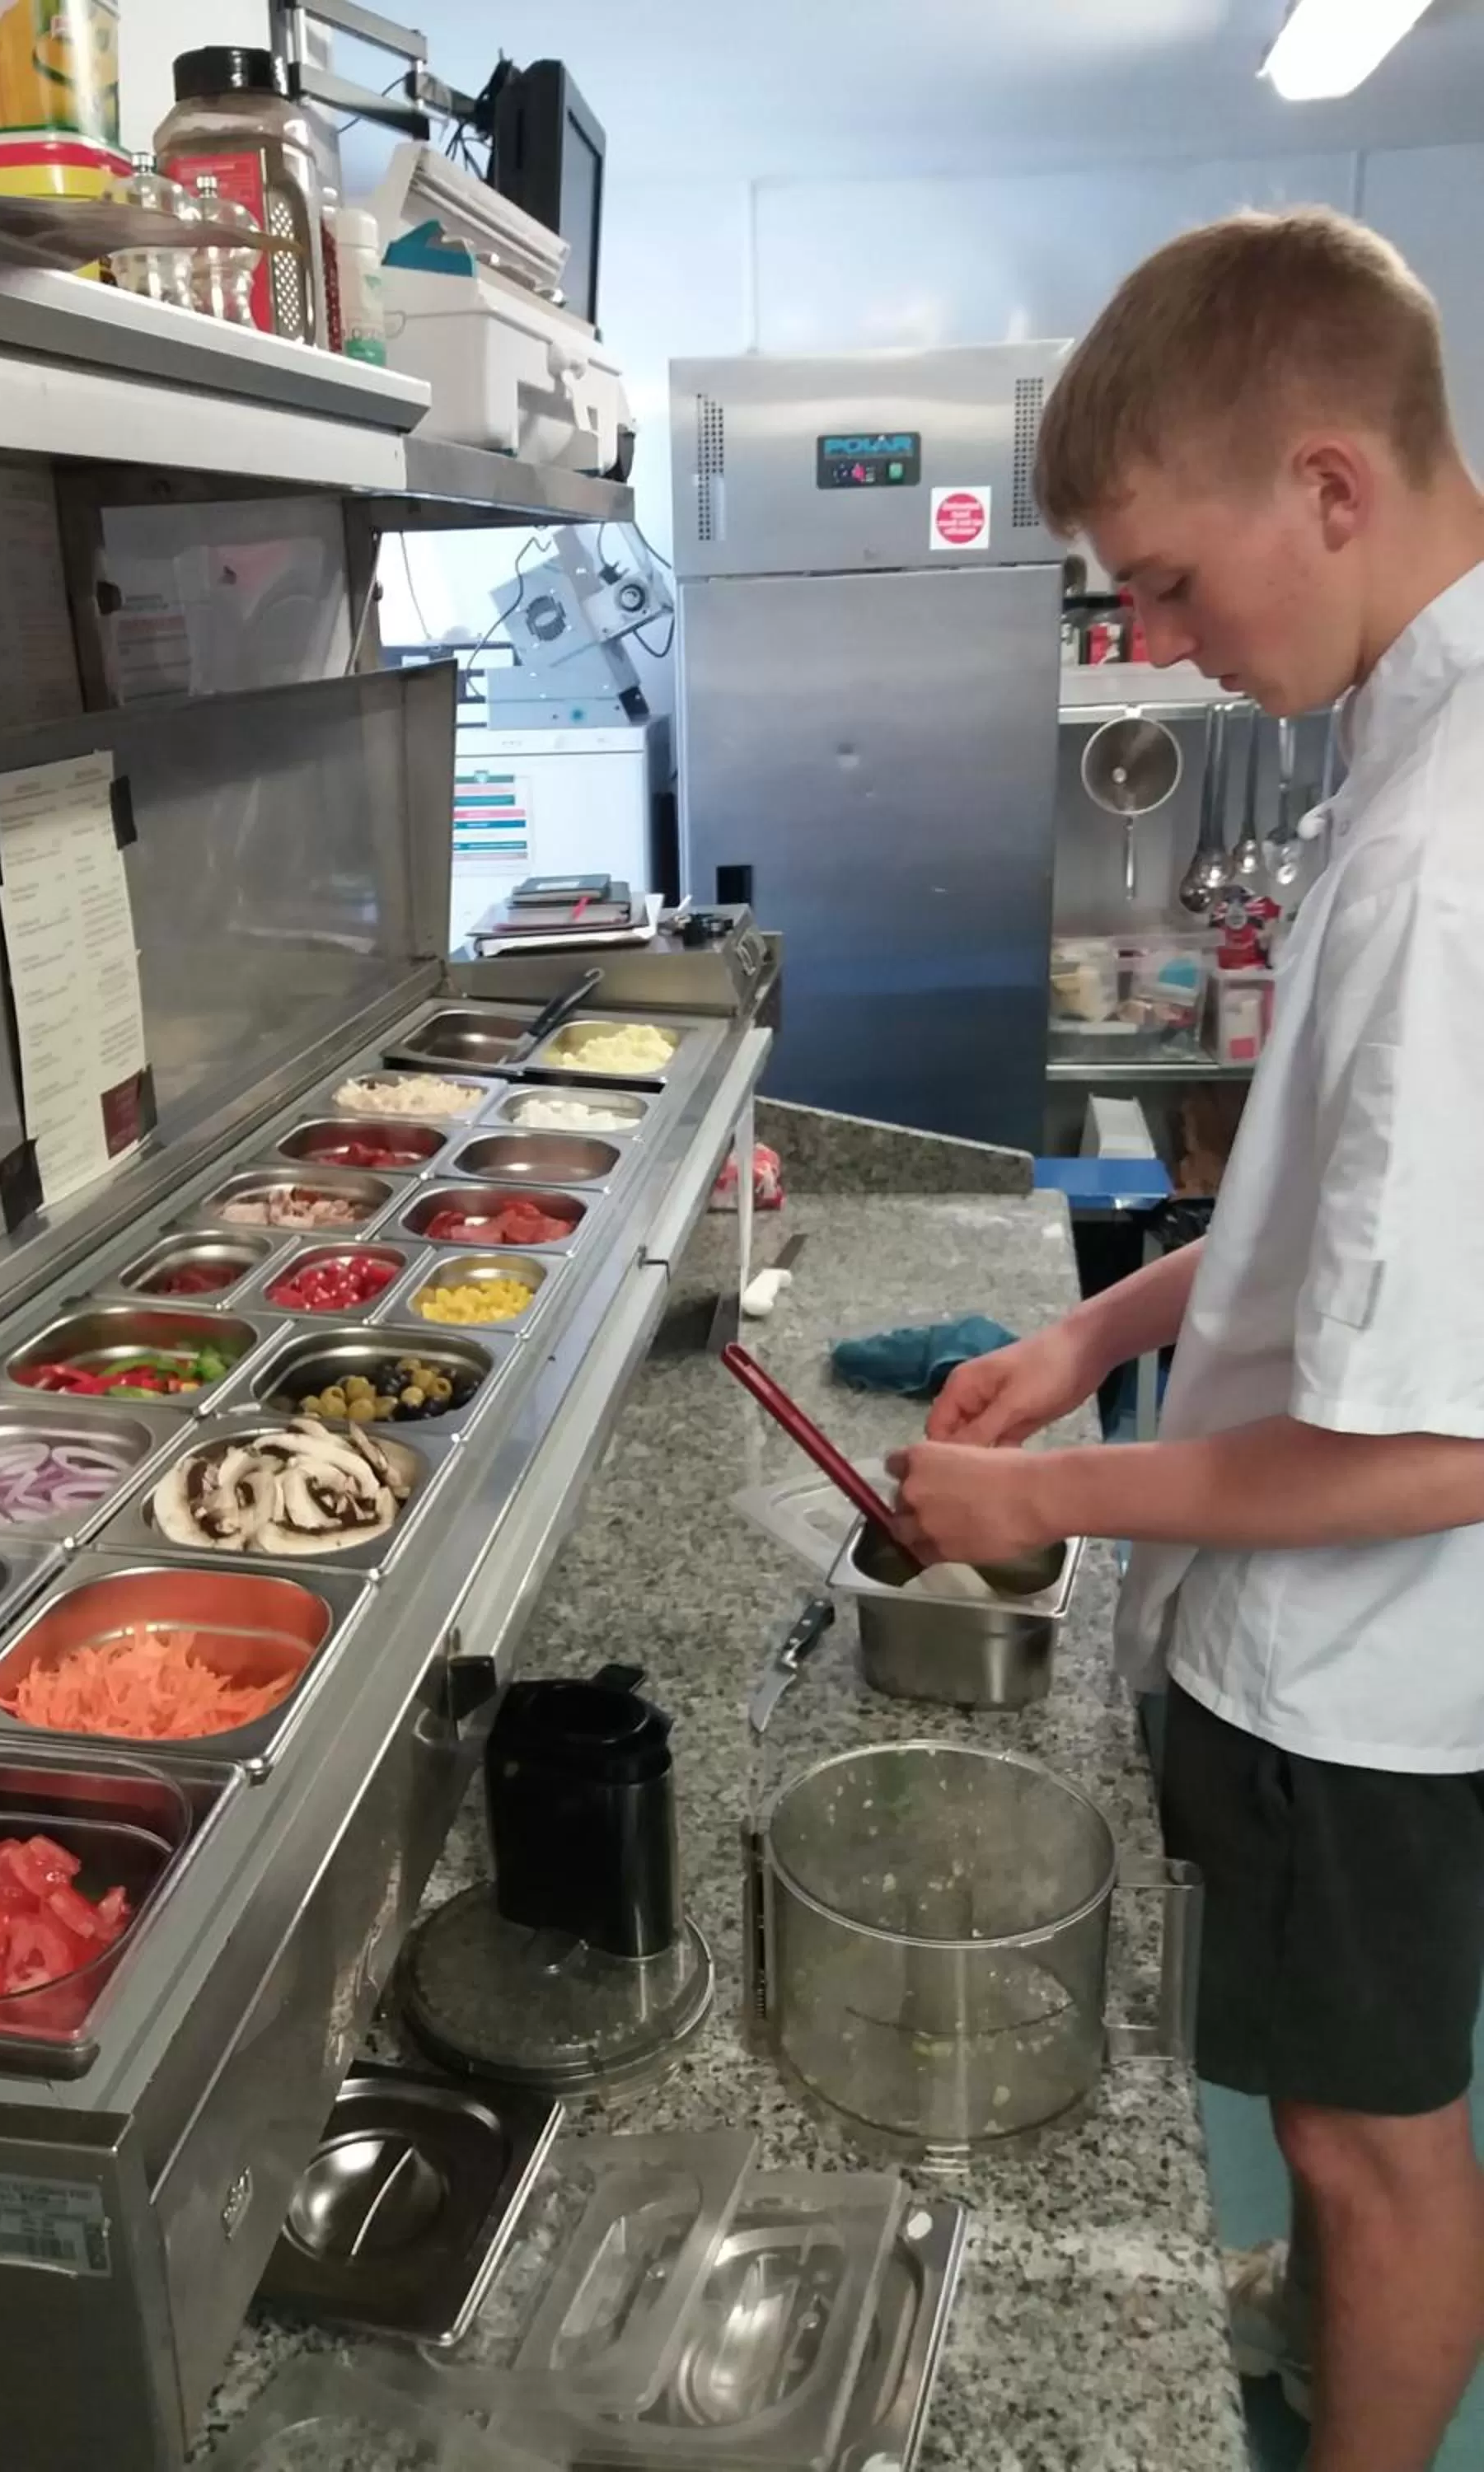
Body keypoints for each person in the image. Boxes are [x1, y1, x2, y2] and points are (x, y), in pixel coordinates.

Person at [887, 207, 1484, 2472]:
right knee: (1339, 2137)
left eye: (1164, 580)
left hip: (1376, 1669)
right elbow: (1351, 1216)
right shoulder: (1417, 739)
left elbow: (1445, 1441)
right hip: (1342, 1642)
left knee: (1373, 2145)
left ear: (1328, 484)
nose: (1155, 640)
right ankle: (1326, 2325)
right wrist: (1102, 1327)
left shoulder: (1447, 845)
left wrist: (1042, 1496)